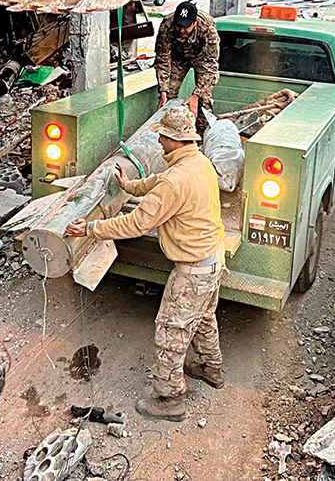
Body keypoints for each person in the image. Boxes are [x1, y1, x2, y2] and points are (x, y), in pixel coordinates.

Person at [64, 107, 226, 422]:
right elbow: (161, 182)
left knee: (171, 333)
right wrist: (130, 186)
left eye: (162, 137)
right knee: (204, 318)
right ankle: (211, 367)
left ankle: (169, 399)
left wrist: (91, 229)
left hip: (192, 271)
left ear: (174, 139)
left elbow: (136, 224)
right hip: (212, 260)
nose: (160, 142)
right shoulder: (199, 163)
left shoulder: (175, 181)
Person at [154, 1, 219, 133]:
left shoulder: (208, 30)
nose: (181, 30)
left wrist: (196, 95)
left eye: (186, 27)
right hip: (178, 58)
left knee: (203, 99)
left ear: (194, 22)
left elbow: (210, 66)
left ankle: (201, 135)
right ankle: (168, 135)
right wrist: (163, 90)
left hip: (201, 59)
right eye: (179, 26)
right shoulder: (167, 25)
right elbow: (163, 58)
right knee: (168, 97)